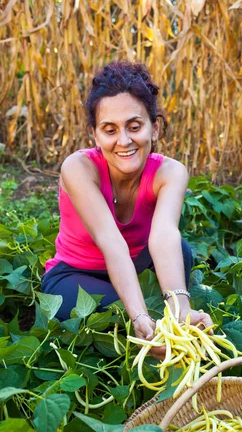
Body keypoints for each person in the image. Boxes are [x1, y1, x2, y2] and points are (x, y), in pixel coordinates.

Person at [41, 61, 213, 353]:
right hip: (76, 274)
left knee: (180, 250)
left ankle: (170, 321)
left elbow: (163, 236)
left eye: (134, 127)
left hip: (136, 264)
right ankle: (147, 327)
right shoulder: (79, 168)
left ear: (154, 128)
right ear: (95, 135)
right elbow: (111, 243)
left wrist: (180, 305)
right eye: (109, 130)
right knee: (113, 311)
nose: (124, 141)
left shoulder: (170, 173)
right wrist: (139, 315)